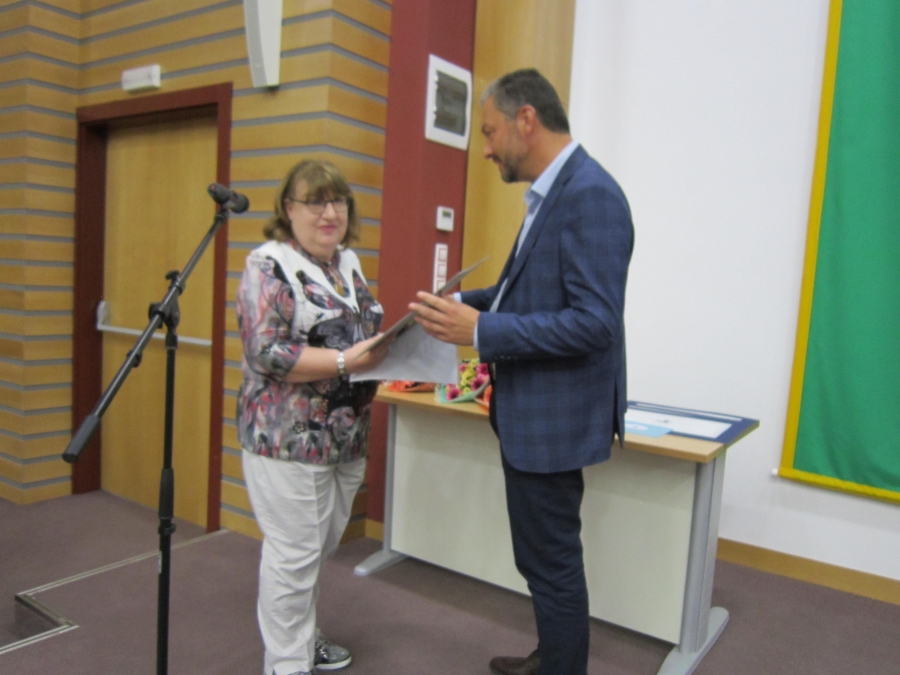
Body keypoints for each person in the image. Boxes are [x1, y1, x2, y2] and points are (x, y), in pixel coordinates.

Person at [410, 69, 634, 675]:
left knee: (553, 564)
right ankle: (551, 657)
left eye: (489, 131)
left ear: (526, 120)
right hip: (533, 417)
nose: (485, 148)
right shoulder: (551, 193)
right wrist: (461, 306)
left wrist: (480, 332)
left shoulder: (591, 195)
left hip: (554, 423)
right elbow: (525, 294)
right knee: (539, 560)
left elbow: (595, 324)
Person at [236, 159, 392, 675]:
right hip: (289, 439)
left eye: (338, 201)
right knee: (294, 555)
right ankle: (287, 664)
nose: (330, 213)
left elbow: (366, 332)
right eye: (315, 202)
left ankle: (303, 639)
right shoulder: (268, 264)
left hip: (345, 439)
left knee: (317, 550)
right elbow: (267, 352)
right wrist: (348, 359)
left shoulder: (348, 263)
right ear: (289, 208)